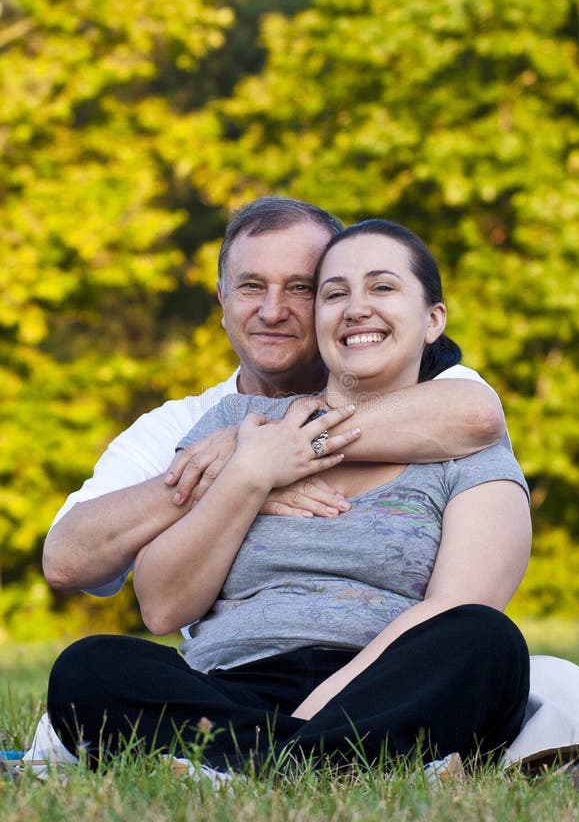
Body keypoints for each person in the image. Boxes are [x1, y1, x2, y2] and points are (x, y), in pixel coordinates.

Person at [44, 219, 534, 774]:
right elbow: (161, 608)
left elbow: (454, 605)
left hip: (388, 688)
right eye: (333, 294)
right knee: (90, 666)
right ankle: (335, 768)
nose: (355, 309)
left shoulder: (466, 440)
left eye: (383, 288)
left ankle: (248, 768)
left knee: (484, 639)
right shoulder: (235, 426)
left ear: (433, 320)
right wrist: (250, 474)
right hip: (235, 691)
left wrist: (314, 719)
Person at [42, 197, 506, 601]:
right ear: (223, 303)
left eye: (300, 288)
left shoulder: (415, 383)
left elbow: (477, 414)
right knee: (92, 667)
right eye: (251, 287)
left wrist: (274, 440)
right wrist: (242, 476)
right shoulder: (188, 423)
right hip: (238, 667)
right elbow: (65, 561)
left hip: (386, 661)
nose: (271, 311)